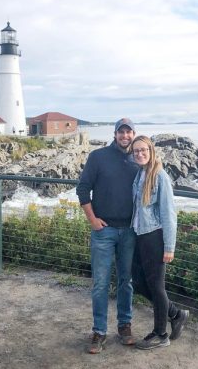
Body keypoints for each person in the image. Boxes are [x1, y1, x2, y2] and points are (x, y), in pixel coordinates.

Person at [76, 118, 139, 354]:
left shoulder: (139, 158)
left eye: (129, 132)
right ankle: (99, 332)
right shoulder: (98, 157)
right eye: (121, 132)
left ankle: (124, 326)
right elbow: (83, 188)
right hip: (104, 231)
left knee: (126, 281)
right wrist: (92, 220)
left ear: (134, 134)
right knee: (101, 283)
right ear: (115, 134)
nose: (125, 136)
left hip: (130, 231)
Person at [129, 135, 189, 349]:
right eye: (136, 151)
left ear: (151, 150)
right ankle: (175, 313)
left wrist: (169, 247)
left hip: (154, 237)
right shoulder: (140, 173)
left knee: (156, 286)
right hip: (139, 235)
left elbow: (169, 214)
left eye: (143, 150)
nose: (140, 154)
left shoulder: (160, 176)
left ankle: (161, 334)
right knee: (138, 283)